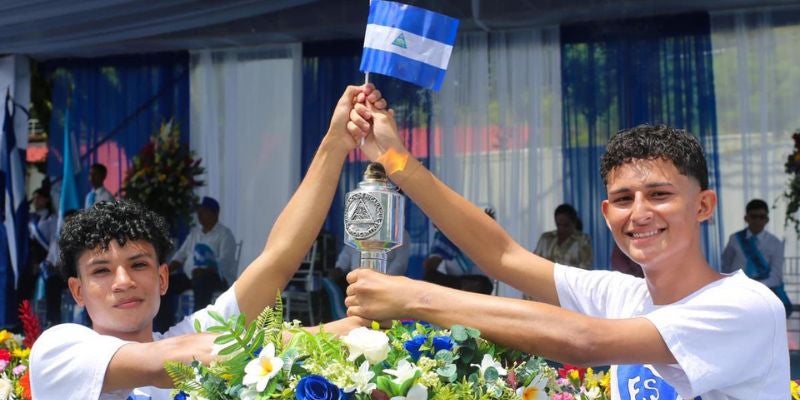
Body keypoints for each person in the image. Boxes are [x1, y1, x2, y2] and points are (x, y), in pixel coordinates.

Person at [344, 103, 789, 399]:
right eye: (622, 199)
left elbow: (585, 341)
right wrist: (396, 159)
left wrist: (417, 299)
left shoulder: (745, 306)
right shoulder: (623, 296)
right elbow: (503, 256)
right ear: (605, 211)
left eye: (659, 195)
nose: (639, 214)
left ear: (704, 205)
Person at [29, 84, 386, 399]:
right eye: (102, 271)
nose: (124, 282)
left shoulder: (191, 333)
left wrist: (336, 143)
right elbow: (168, 360)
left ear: (163, 278)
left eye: (139, 264)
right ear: (77, 291)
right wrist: (331, 335)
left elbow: (277, 260)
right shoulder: (59, 349)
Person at [721, 199, 791, 317]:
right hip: (737, 293)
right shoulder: (735, 239)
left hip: (764, 295)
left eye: (762, 217)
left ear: (767, 219)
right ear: (746, 218)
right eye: (754, 216)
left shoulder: (775, 243)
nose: (757, 221)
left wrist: (755, 288)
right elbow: (726, 266)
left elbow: (776, 276)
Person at [169, 196, 237, 312]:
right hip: (191, 276)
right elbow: (181, 254)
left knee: (202, 281)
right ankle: (164, 326)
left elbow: (225, 262)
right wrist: (167, 270)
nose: (199, 215)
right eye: (199, 212)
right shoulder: (195, 234)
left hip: (215, 278)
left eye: (203, 212)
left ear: (214, 213)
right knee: (165, 283)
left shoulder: (225, 235)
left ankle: (198, 325)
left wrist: (205, 270)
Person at [533, 203, 592, 269]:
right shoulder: (546, 238)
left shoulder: (582, 240)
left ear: (574, 223)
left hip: (570, 278)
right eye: (558, 225)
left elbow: (585, 266)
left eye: (566, 225)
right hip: (546, 277)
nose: (561, 229)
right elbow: (535, 261)